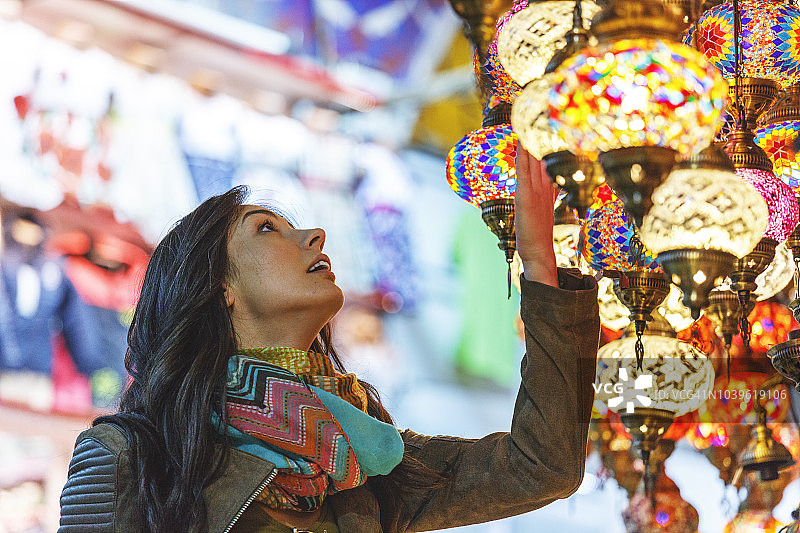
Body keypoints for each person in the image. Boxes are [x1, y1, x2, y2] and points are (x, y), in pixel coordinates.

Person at [58, 147, 600, 533]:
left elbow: (541, 466)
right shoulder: (131, 455)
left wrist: (539, 264)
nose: (315, 234)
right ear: (219, 288)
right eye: (266, 229)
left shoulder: (368, 458)